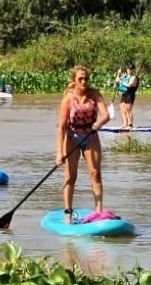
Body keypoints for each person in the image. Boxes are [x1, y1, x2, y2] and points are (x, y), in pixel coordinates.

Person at [57, 66, 111, 221]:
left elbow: (106, 115)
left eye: (86, 79)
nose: (83, 82)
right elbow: (61, 127)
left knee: (95, 174)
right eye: (80, 79)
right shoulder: (68, 98)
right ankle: (68, 212)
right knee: (70, 176)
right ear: (74, 80)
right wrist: (59, 153)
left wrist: (99, 123)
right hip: (72, 136)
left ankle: (98, 212)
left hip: (90, 136)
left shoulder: (95, 94)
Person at [114, 62, 140, 129]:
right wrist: (118, 74)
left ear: (133, 70)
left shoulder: (134, 77)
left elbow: (129, 85)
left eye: (131, 69)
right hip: (124, 94)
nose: (129, 70)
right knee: (122, 109)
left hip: (130, 94)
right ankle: (125, 123)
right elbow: (117, 81)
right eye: (128, 69)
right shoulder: (125, 76)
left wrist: (121, 82)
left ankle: (130, 124)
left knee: (128, 109)